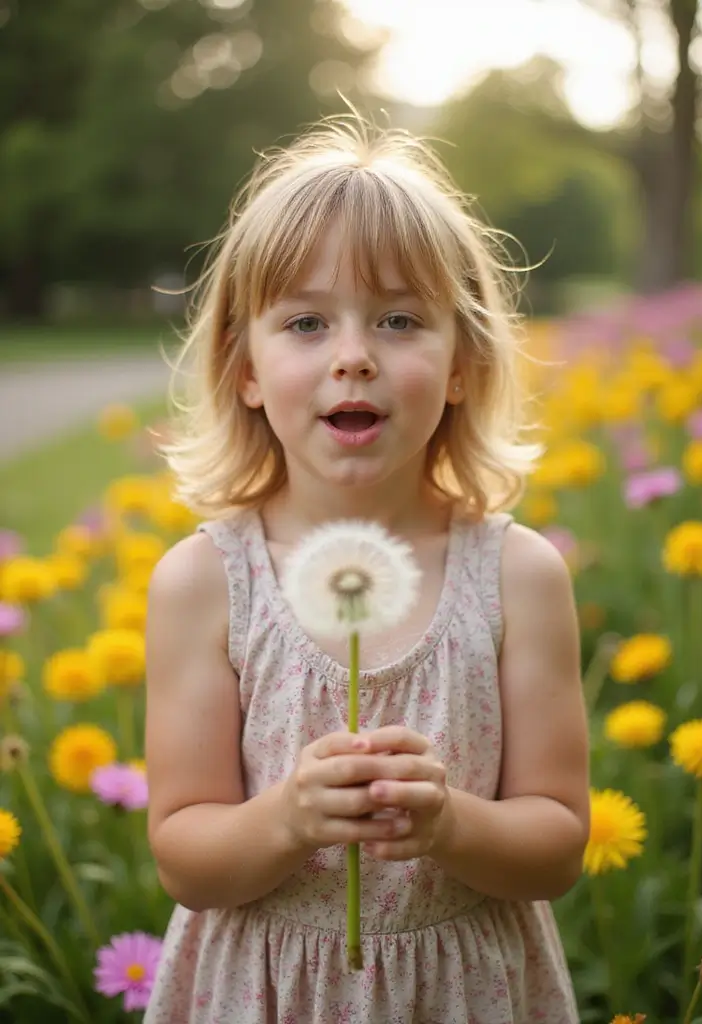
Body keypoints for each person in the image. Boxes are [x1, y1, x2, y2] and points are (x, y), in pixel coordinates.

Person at [144, 114, 589, 1023]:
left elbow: (558, 846)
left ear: (463, 364)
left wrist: (451, 824)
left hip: (463, 990)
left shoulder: (517, 576)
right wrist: (287, 819)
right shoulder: (205, 584)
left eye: (398, 320)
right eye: (306, 322)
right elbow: (185, 857)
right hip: (264, 991)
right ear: (246, 370)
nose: (354, 355)